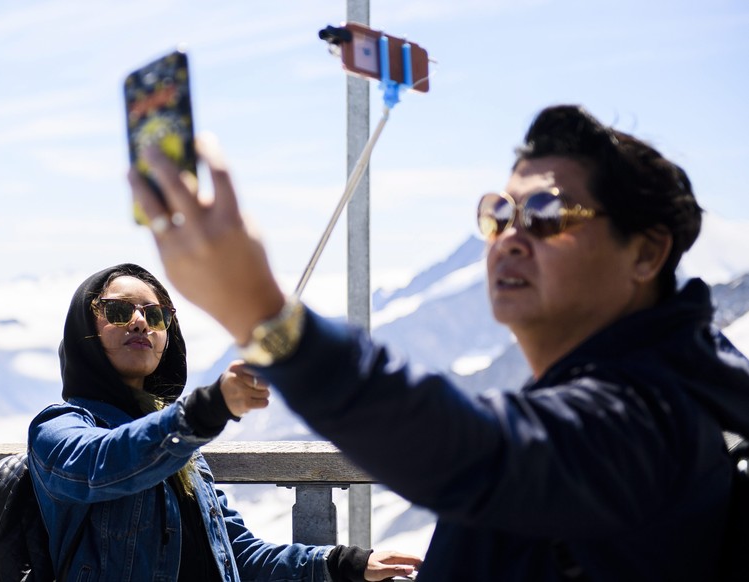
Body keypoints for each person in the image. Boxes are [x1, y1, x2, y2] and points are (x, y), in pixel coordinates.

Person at [128, 104, 749, 581]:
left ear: (645, 253)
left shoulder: (647, 417)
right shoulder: (651, 392)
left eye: (546, 215)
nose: (509, 237)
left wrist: (268, 318)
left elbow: (477, 453)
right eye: (498, 214)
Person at [27, 263, 421, 581]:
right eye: (118, 310)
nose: (140, 323)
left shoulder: (182, 447)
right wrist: (205, 410)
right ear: (84, 330)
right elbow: (103, 465)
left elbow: (238, 555)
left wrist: (343, 563)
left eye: (156, 315)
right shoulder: (58, 427)